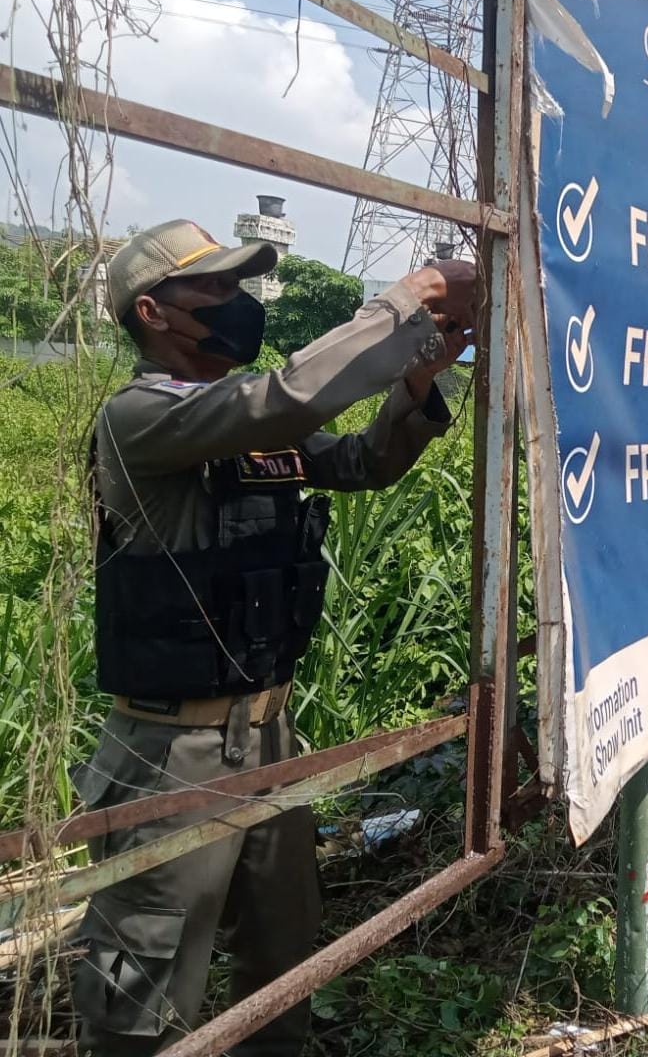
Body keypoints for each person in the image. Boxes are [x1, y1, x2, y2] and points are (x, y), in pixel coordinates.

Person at [72, 219, 475, 1056]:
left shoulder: (245, 429)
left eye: (238, 288)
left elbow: (361, 462)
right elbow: (284, 398)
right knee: (145, 995)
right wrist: (406, 301)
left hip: (269, 737)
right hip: (171, 751)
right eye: (214, 290)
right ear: (153, 313)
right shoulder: (140, 416)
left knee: (283, 962)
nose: (236, 305)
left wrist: (416, 382)